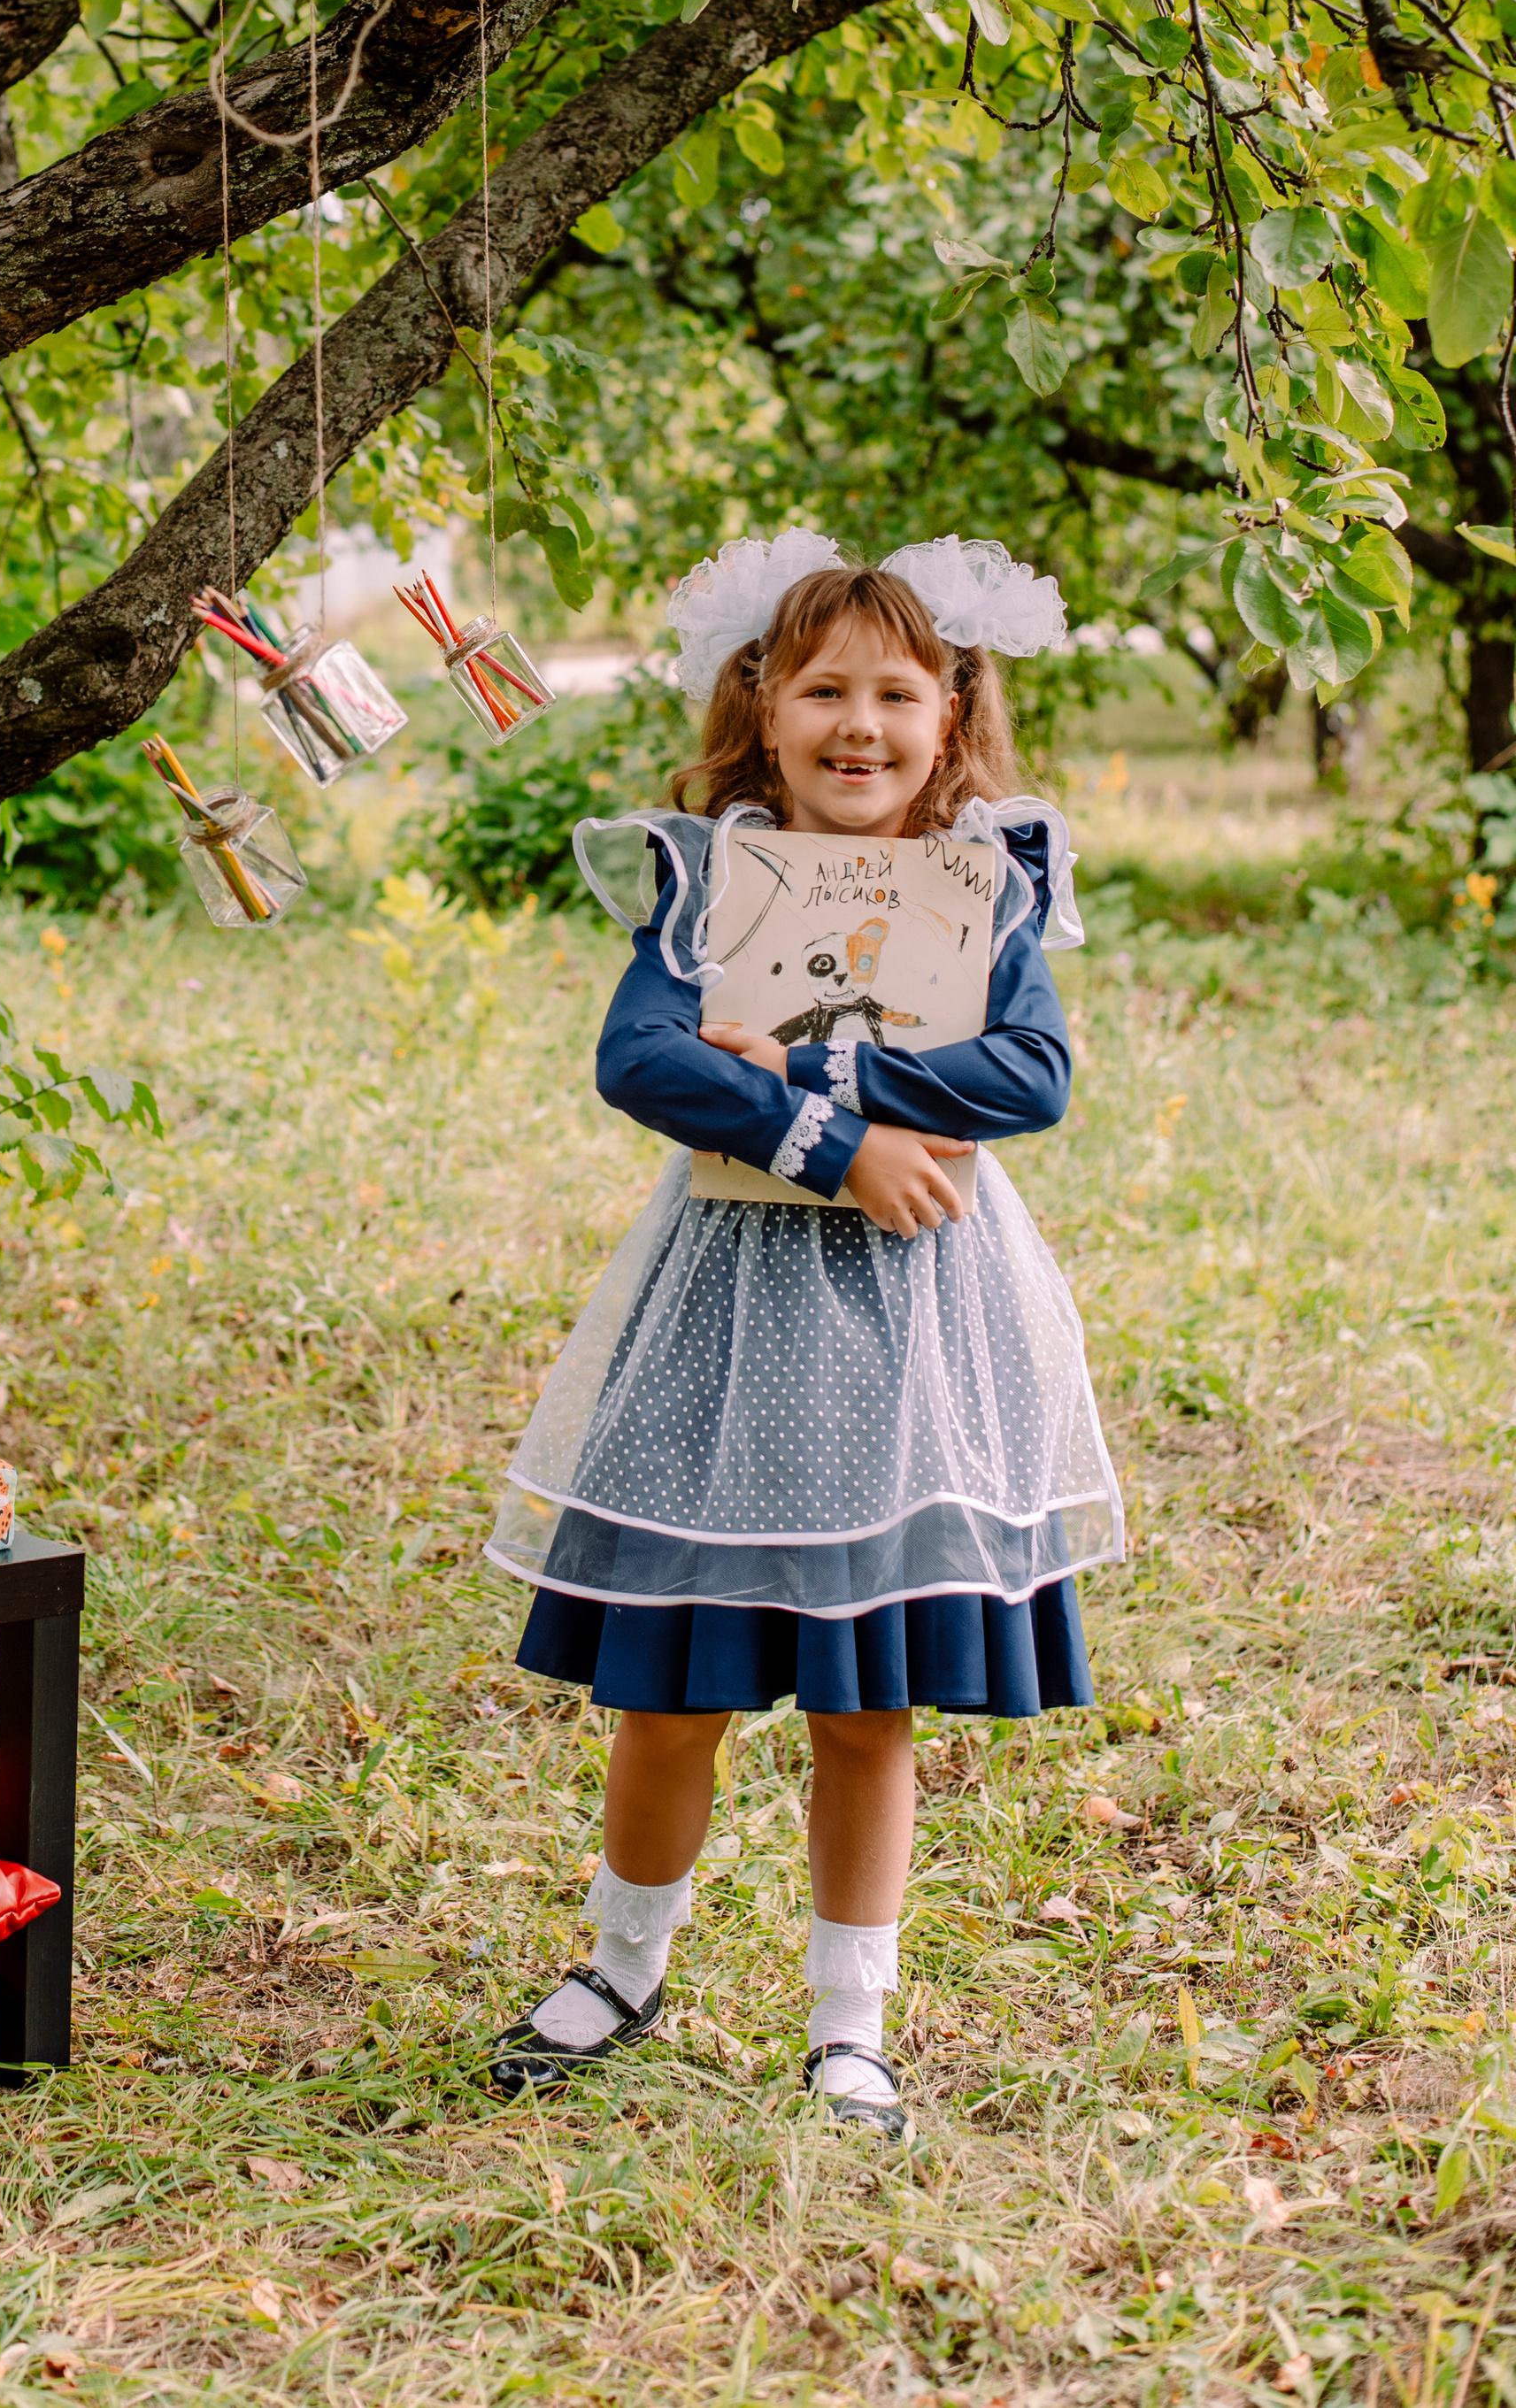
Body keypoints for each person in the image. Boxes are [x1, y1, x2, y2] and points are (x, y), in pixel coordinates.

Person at [483, 530, 1124, 2138]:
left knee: (866, 1694)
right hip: (728, 1312)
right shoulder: (716, 873)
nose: (860, 723)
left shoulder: (984, 881)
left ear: (953, 710)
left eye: (897, 691)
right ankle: (627, 1965)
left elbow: (1029, 1075)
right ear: (761, 709)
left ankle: (852, 2023)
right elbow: (645, 1061)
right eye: (822, 686)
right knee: (674, 1683)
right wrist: (830, 1147)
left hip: (916, 1325)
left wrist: (823, 1077)